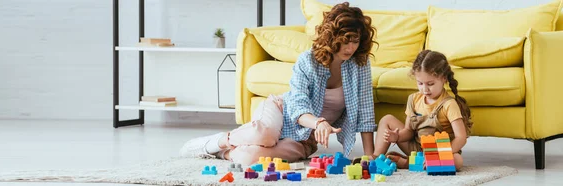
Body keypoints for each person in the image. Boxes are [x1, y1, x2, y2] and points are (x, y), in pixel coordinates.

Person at [179, 2, 377, 166]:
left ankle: (227, 152)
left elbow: (366, 111)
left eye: (356, 41)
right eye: (345, 40)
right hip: (281, 111)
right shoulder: (308, 60)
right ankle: (218, 141)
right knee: (264, 134)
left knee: (252, 158)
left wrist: (369, 156)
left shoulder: (359, 64)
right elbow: (298, 105)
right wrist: (319, 122)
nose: (350, 47)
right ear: (333, 36)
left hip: (304, 138)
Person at [372, 50, 473, 171]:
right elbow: (409, 131)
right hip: (415, 147)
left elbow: (461, 138)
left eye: (430, 84)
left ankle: (408, 163)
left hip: (440, 151)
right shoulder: (414, 99)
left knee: (457, 161)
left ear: (444, 78)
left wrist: (441, 154)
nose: (425, 89)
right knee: (387, 119)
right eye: (420, 83)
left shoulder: (449, 104)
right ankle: (376, 157)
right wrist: (397, 136)